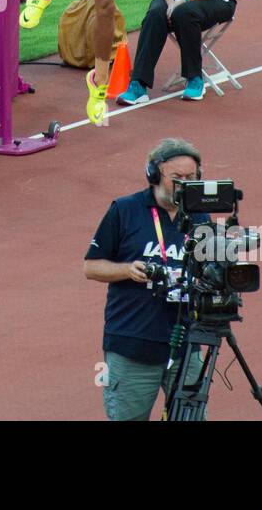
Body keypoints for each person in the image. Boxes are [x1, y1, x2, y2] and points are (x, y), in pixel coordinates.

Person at [83, 138, 210, 421]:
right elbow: (91, 267)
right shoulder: (125, 210)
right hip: (133, 345)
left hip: (186, 343)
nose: (184, 184)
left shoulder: (200, 217)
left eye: (191, 178)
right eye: (177, 178)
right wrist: (127, 270)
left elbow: (209, 269)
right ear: (154, 175)